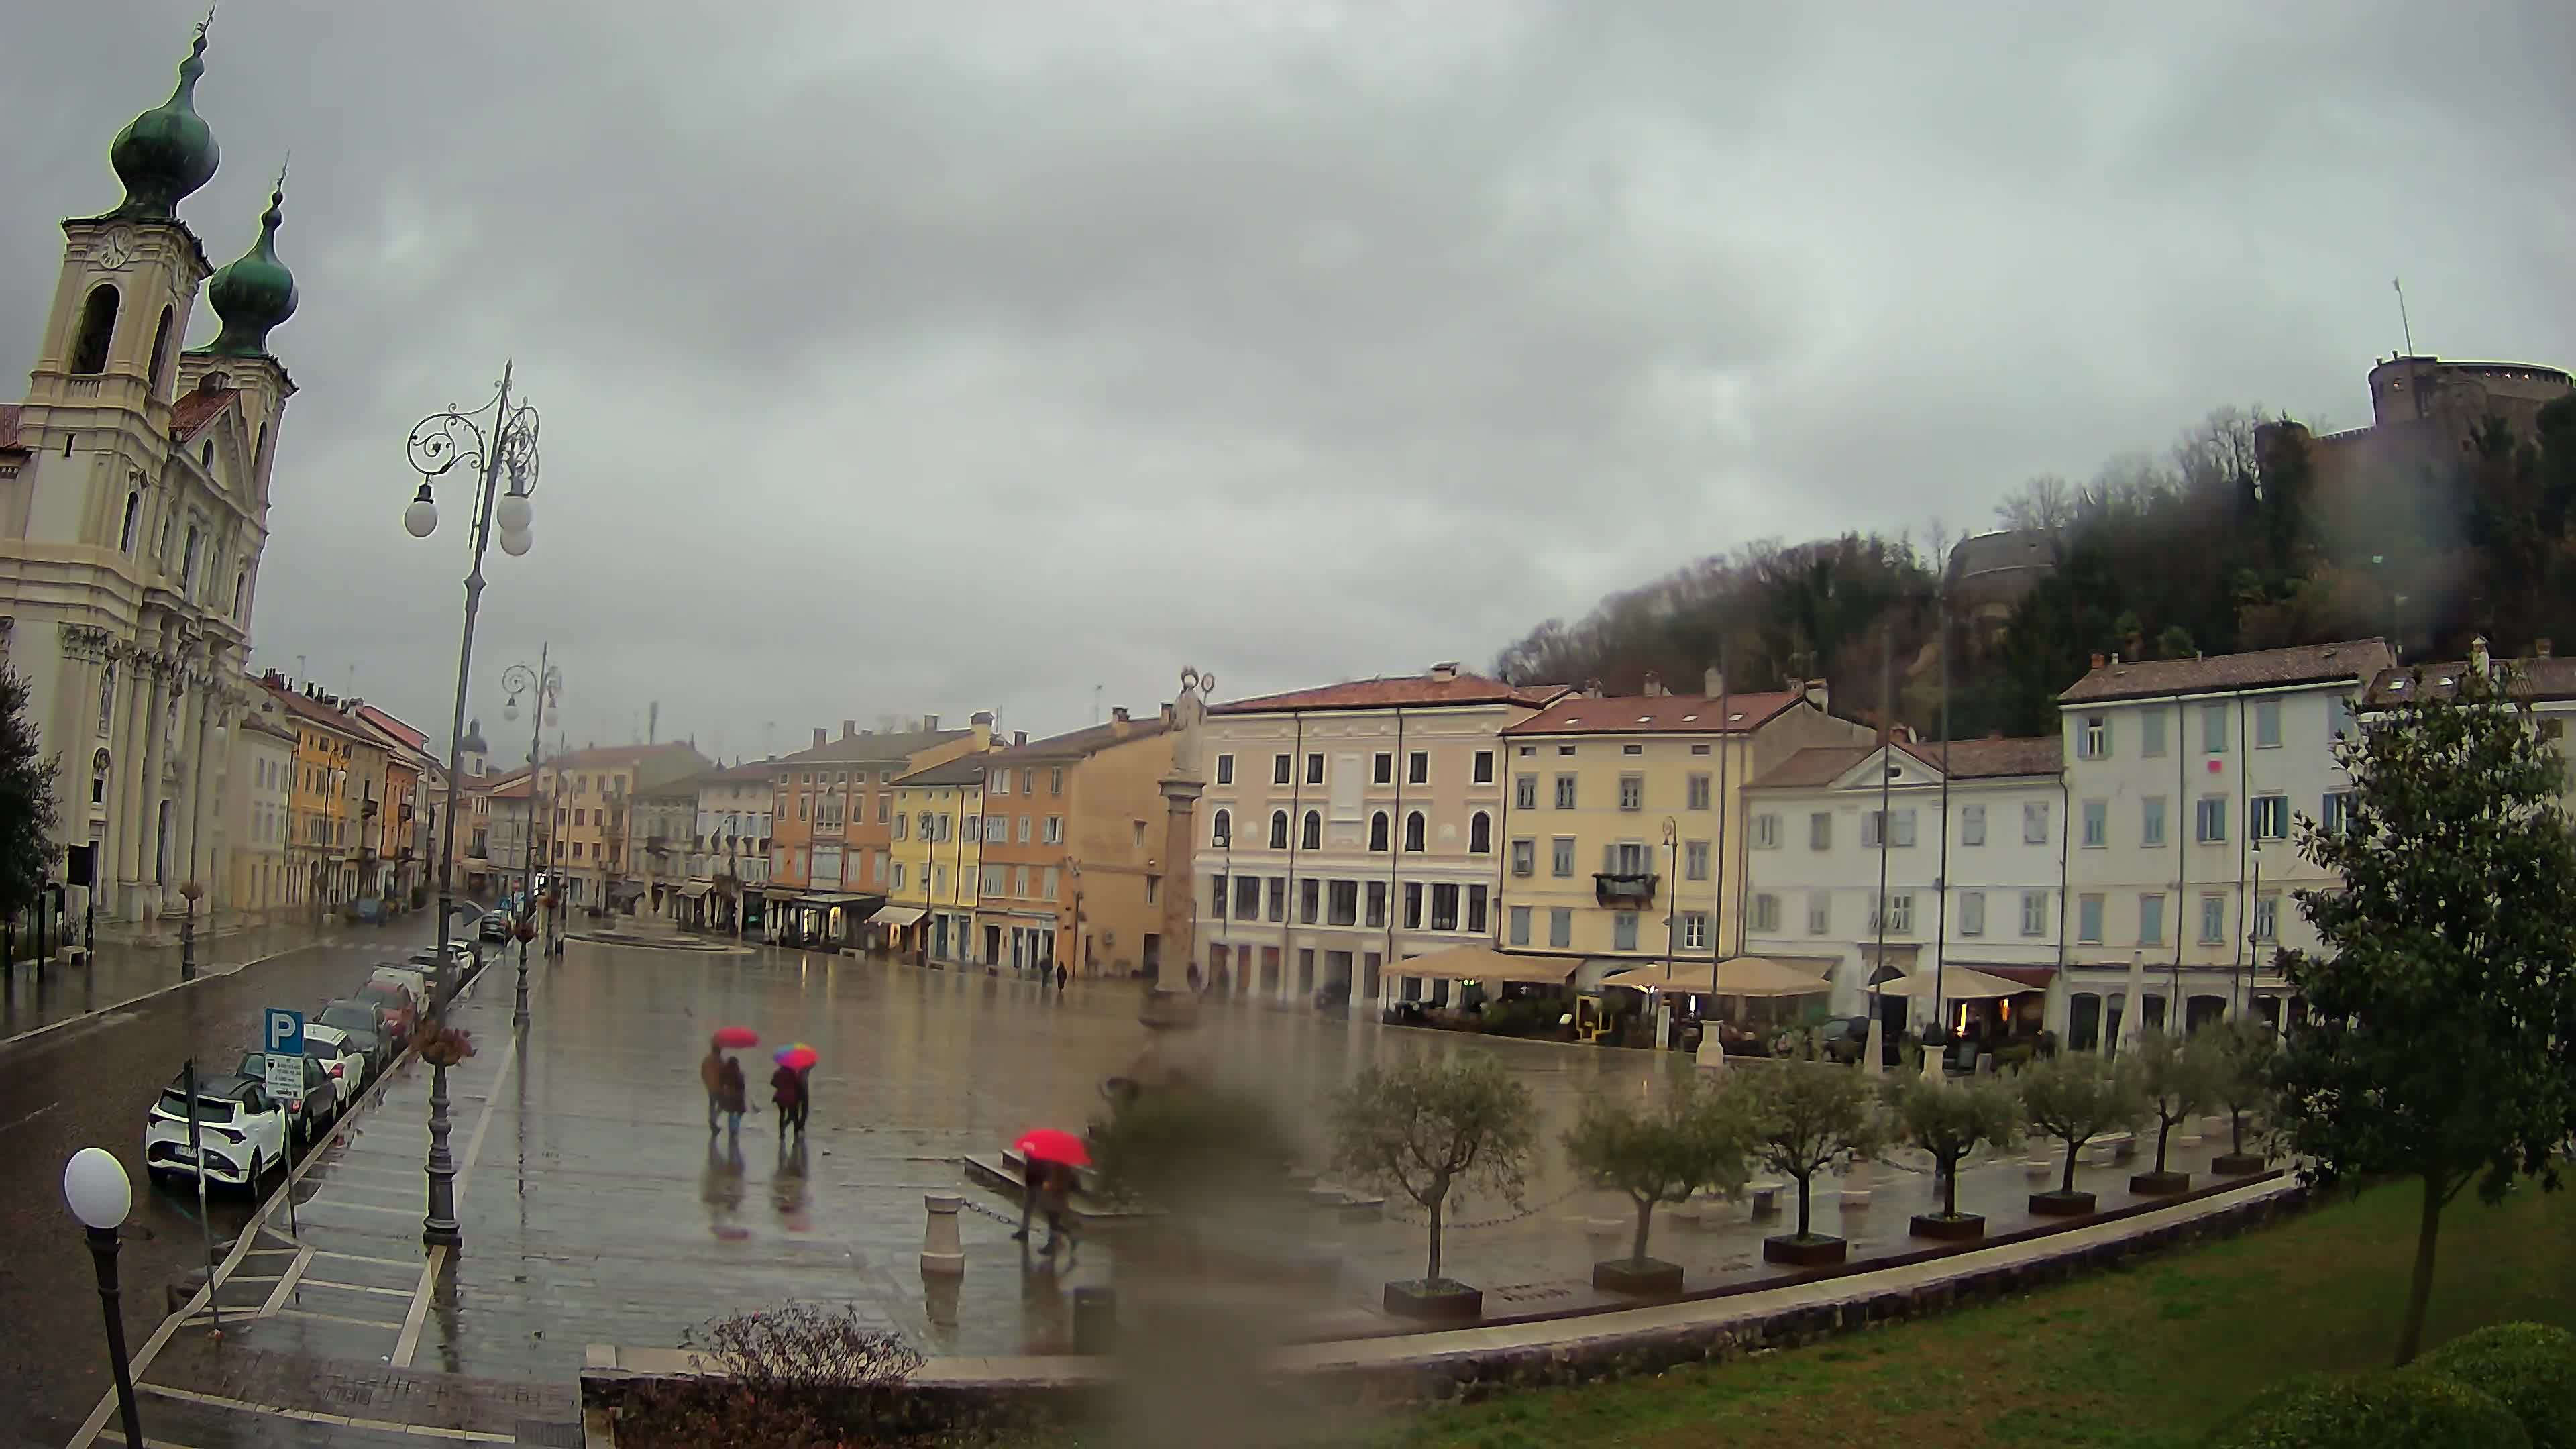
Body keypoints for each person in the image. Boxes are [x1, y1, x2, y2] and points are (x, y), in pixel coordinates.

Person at [770, 1059, 804, 1139]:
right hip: (791, 1097)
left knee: (782, 1115)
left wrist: (780, 1086)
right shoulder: (793, 1073)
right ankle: (794, 1133)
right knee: (793, 1115)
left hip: (780, 1097)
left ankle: (782, 1133)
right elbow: (798, 1084)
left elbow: (773, 1083)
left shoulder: (778, 1072)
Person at [715, 1053, 747, 1137]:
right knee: (739, 1113)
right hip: (738, 1097)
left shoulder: (724, 1073)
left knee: (731, 1112)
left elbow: (721, 1084)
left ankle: (732, 1129)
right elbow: (742, 1088)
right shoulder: (739, 1074)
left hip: (728, 1096)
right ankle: (734, 1127)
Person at [700, 1038, 727, 1133]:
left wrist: (707, 1082)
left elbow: (703, 1072)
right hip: (719, 1087)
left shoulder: (707, 1059)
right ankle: (714, 1119)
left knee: (712, 1104)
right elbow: (725, 1073)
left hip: (710, 1087)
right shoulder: (721, 1060)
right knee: (723, 1104)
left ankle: (713, 1120)